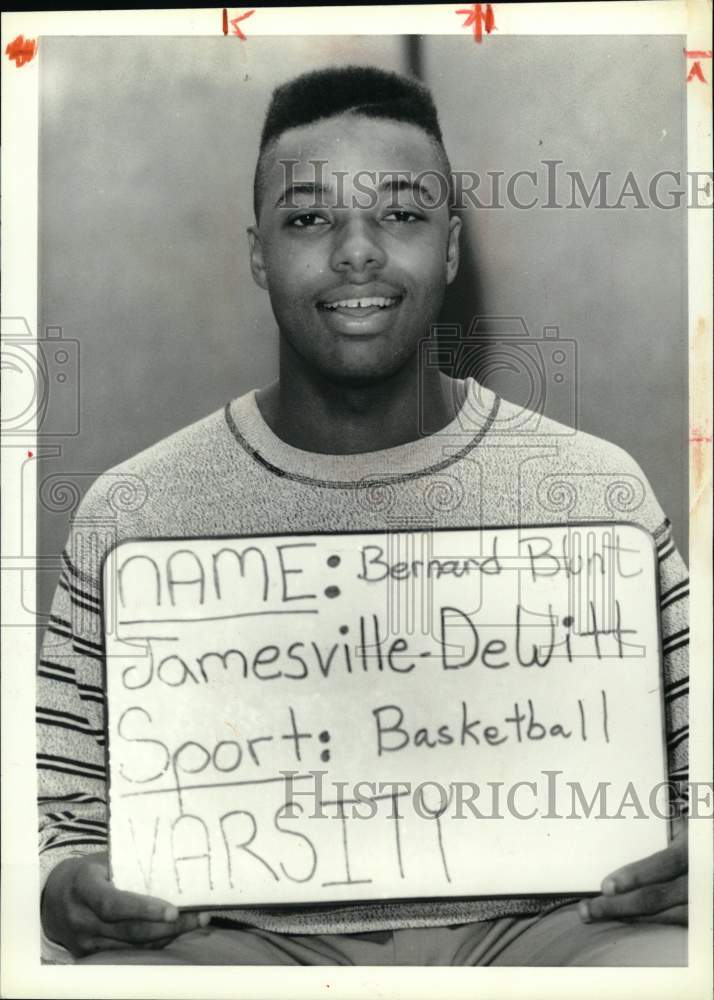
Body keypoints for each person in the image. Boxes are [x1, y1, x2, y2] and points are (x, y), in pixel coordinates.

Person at [37, 65, 689, 966]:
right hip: (238, 938)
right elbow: (59, 812)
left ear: (451, 248)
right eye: (309, 218)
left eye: (401, 213)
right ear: (257, 251)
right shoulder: (134, 510)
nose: (356, 251)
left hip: (548, 928)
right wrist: (66, 886)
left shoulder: (593, 492)